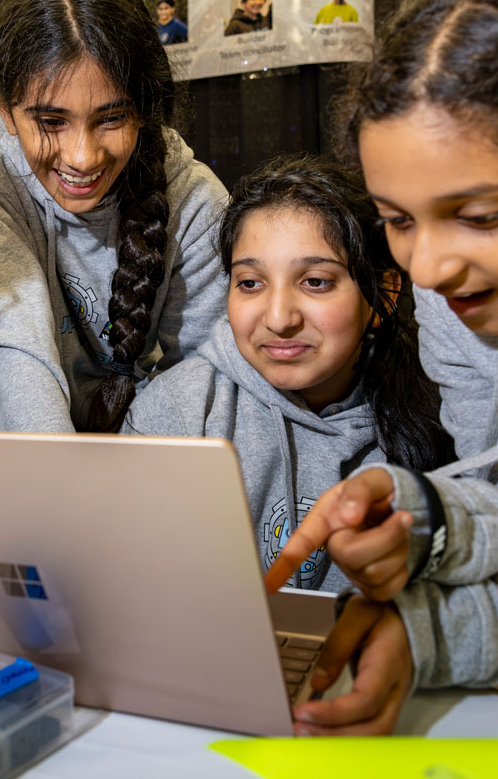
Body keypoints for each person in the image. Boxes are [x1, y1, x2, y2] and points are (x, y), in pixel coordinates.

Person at [266, 0, 498, 735]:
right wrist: (425, 520)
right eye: (397, 221)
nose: (431, 268)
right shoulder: (461, 295)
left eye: (480, 216)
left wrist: (433, 628)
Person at [123, 155, 453, 584]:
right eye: (250, 283)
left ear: (385, 294)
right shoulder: (177, 416)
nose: (279, 319)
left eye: (315, 281)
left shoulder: (449, 413)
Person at [0, 0, 228, 434]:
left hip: (145, 462)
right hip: (21, 458)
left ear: (144, 108)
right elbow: (15, 344)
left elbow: (203, 372)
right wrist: (63, 487)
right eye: (51, 122)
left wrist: (114, 479)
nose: (82, 157)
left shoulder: (194, 199)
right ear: (5, 109)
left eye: (111, 118)